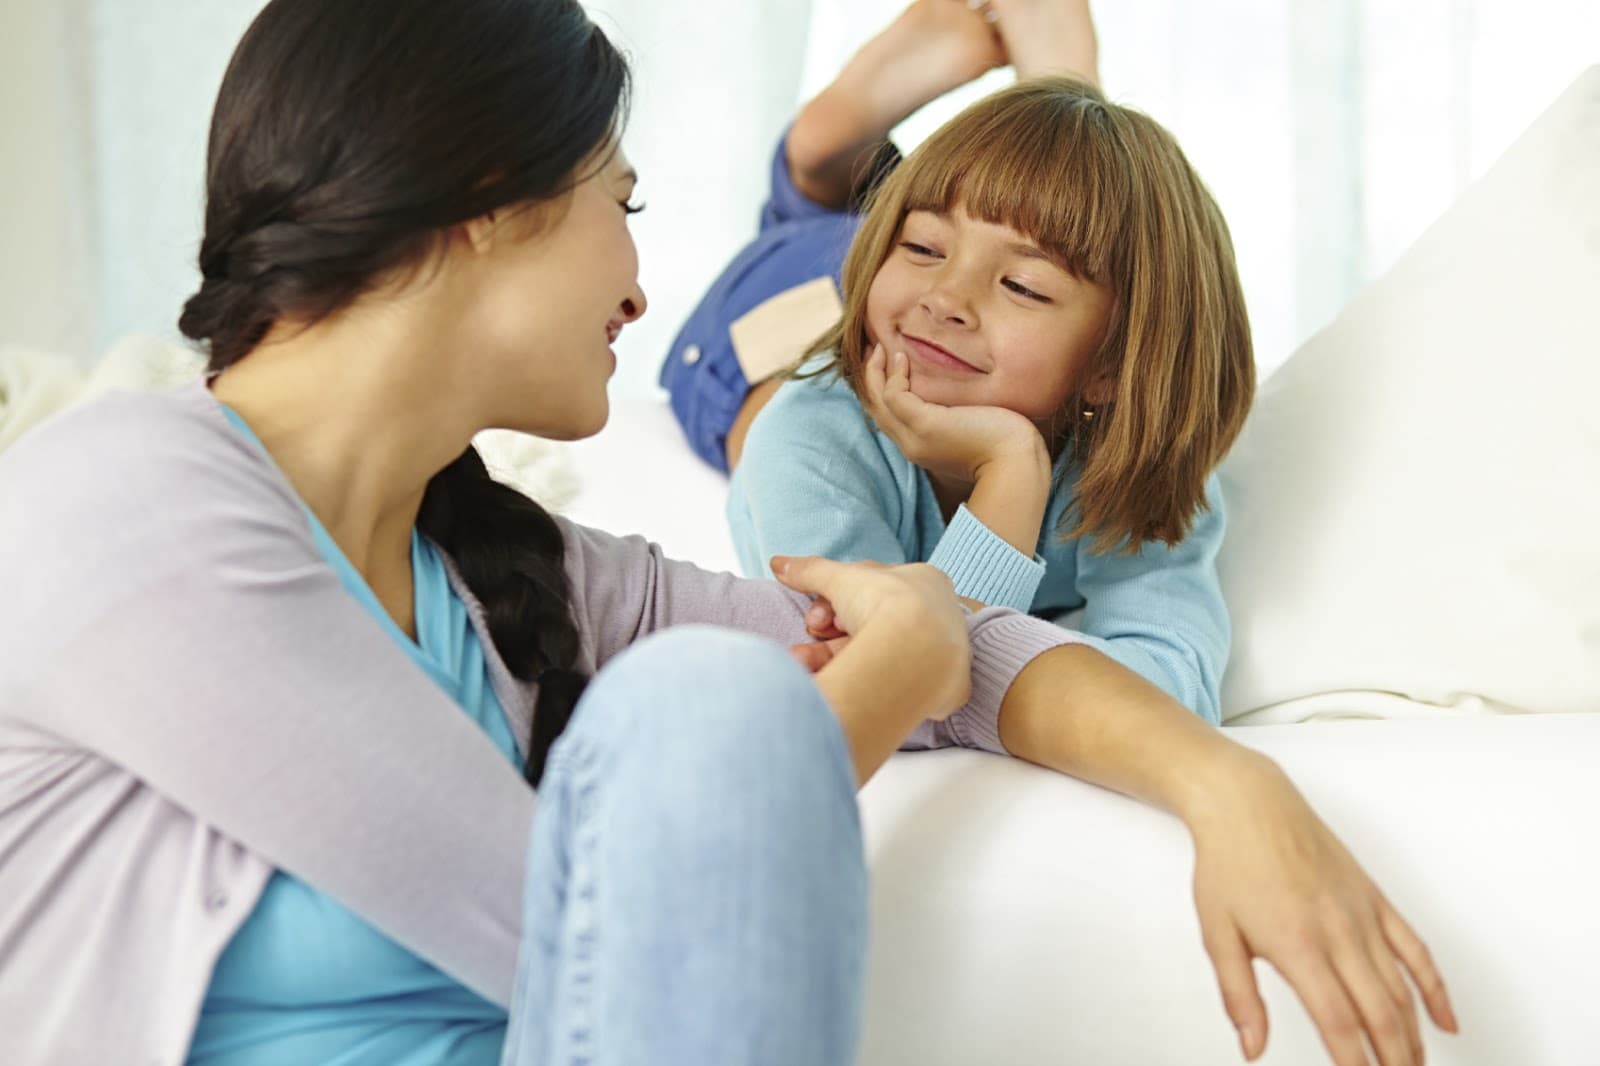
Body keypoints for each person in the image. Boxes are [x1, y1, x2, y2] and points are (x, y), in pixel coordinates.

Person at [0, 1, 1454, 1065]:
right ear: (483, 208)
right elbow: (580, 925)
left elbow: (966, 655)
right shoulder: (126, 501)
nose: (643, 287)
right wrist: (895, 669)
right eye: (620, 202)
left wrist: (1223, 780)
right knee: (709, 702)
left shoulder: (513, 571)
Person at [665, 1, 1247, 722]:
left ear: (1112, 366)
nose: (948, 298)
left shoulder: (1139, 461)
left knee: (962, 230)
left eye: (1025, 286)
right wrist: (1012, 473)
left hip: (891, 264)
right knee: (770, 389)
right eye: (923, 247)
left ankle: (1048, 125)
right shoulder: (805, 438)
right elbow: (897, 685)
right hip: (795, 302)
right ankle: (825, 166)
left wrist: (1009, 462)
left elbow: (1173, 688)